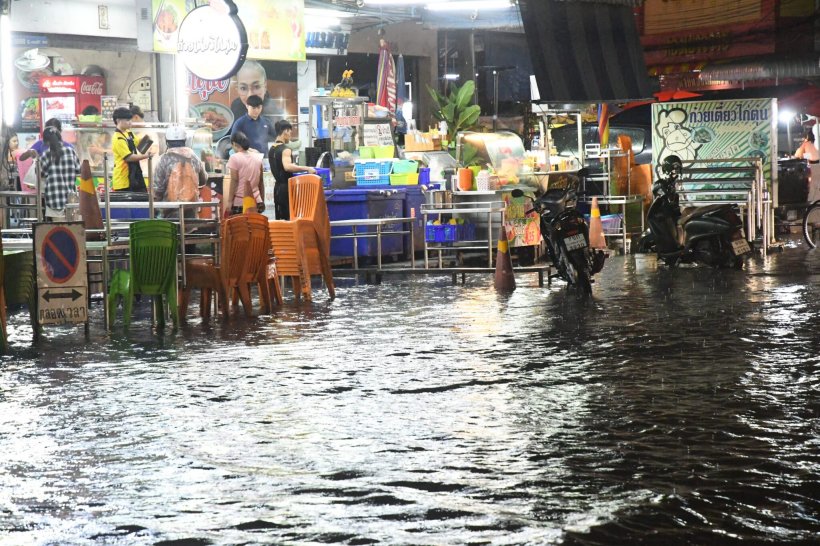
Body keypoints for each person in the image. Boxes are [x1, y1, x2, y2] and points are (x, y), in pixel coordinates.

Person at [153, 126, 206, 219]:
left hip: (169, 212)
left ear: (167, 142)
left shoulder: (163, 159)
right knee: (189, 232)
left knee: (172, 232)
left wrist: (154, 208)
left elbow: (157, 188)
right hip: (190, 211)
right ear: (185, 140)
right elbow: (203, 180)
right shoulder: (194, 157)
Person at [268, 119, 315, 221]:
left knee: (279, 217)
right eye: (289, 131)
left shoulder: (272, 148)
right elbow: (287, 167)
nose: (290, 134)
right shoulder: (285, 149)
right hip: (286, 188)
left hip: (277, 188)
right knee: (288, 218)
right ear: (285, 131)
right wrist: (307, 168)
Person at [38, 126, 80, 219]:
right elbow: (78, 169)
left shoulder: (45, 155)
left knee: (57, 231)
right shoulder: (71, 151)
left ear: (46, 141)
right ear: (60, 137)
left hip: (54, 198)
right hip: (70, 199)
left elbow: (41, 174)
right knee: (72, 230)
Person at [229, 60, 285, 128]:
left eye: (256, 87)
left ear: (265, 86)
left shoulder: (274, 113)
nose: (250, 95)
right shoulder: (236, 106)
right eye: (243, 88)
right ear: (237, 89)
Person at [225, 131, 264, 217]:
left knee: (241, 229)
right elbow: (261, 181)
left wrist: (229, 201)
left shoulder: (234, 158)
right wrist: (262, 200)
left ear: (234, 144)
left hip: (240, 202)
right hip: (257, 200)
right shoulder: (258, 157)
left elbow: (234, 180)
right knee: (254, 228)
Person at [112, 106, 151, 192]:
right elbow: (128, 157)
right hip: (123, 179)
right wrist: (146, 156)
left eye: (130, 120)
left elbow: (138, 145)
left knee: (142, 200)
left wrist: (148, 140)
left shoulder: (128, 132)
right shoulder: (118, 138)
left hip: (134, 175)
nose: (130, 123)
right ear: (118, 121)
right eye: (127, 120)